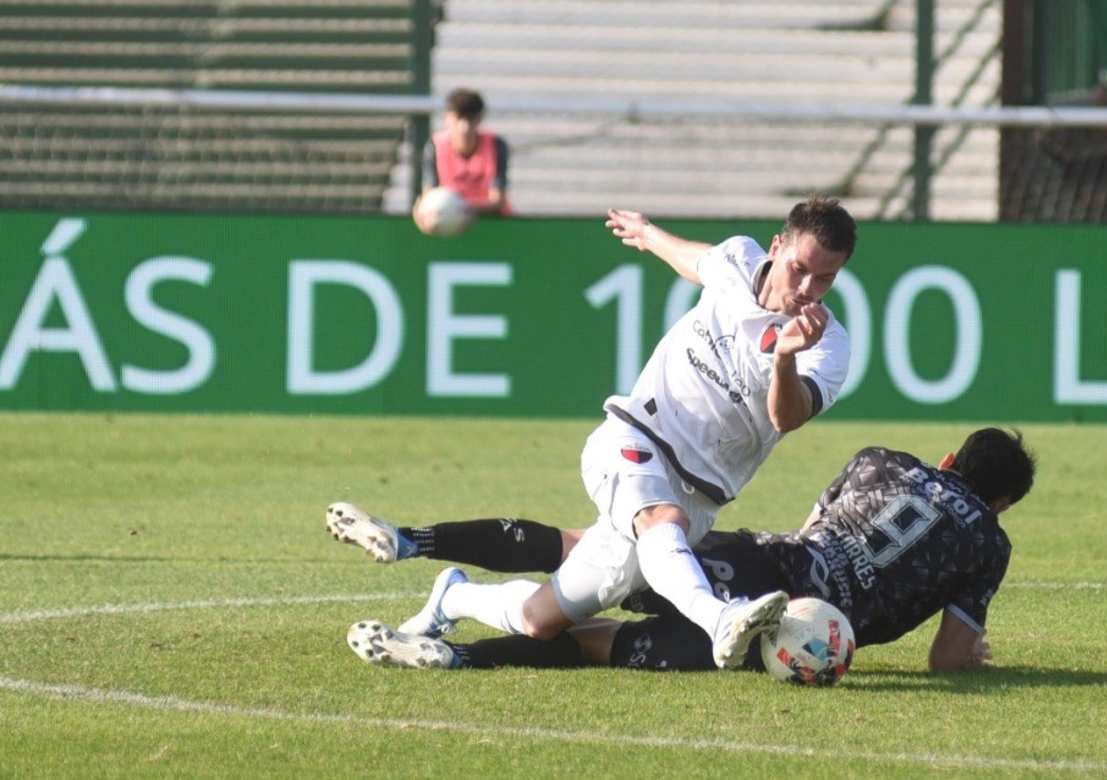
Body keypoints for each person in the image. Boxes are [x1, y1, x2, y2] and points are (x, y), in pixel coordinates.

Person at [334, 199, 859, 670]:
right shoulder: (738, 258)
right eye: (800, 269)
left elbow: (787, 417)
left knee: (540, 618)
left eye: (825, 279)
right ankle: (718, 619)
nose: (808, 289)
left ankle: (453, 597)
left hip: (701, 496)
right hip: (635, 439)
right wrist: (649, 233)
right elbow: (697, 261)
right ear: (777, 246)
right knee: (661, 518)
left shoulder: (827, 346)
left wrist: (786, 358)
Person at [332, 428, 1037, 675]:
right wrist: (975, 656)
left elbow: (813, 526)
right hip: (790, 630)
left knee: (594, 555)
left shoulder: (881, 459)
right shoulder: (988, 541)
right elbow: (946, 659)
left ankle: (426, 556)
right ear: (1001, 502)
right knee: (599, 642)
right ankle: (455, 618)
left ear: (949, 457)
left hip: (765, 570)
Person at [419, 88, 513, 224]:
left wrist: (460, 209)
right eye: (459, 118)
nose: (465, 126)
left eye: (471, 118)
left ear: (480, 118)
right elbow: (429, 197)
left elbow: (497, 201)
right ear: (448, 117)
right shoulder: (435, 146)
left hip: (492, 221)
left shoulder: (496, 145)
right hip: (447, 222)